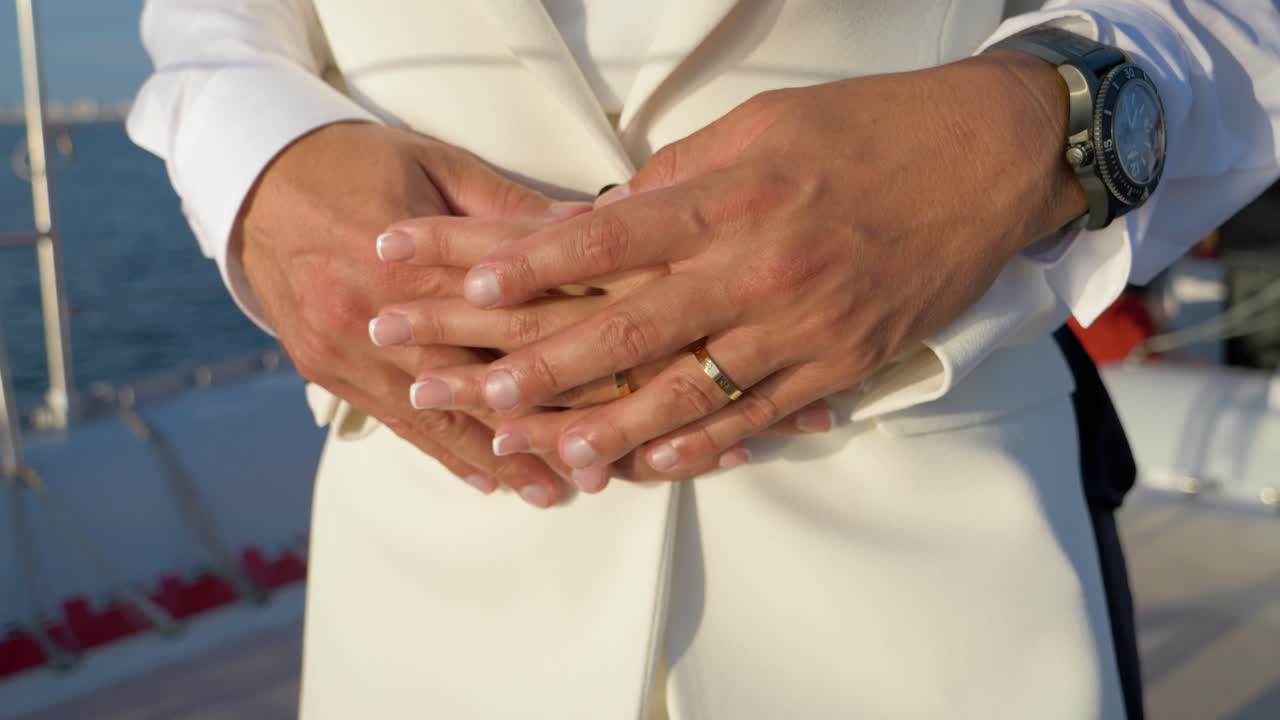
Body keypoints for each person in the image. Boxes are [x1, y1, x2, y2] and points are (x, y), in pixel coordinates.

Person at [128, 1, 1280, 717]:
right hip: (425, 602)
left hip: (941, 604)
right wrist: (258, 163)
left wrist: (1040, 121)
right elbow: (207, 31)